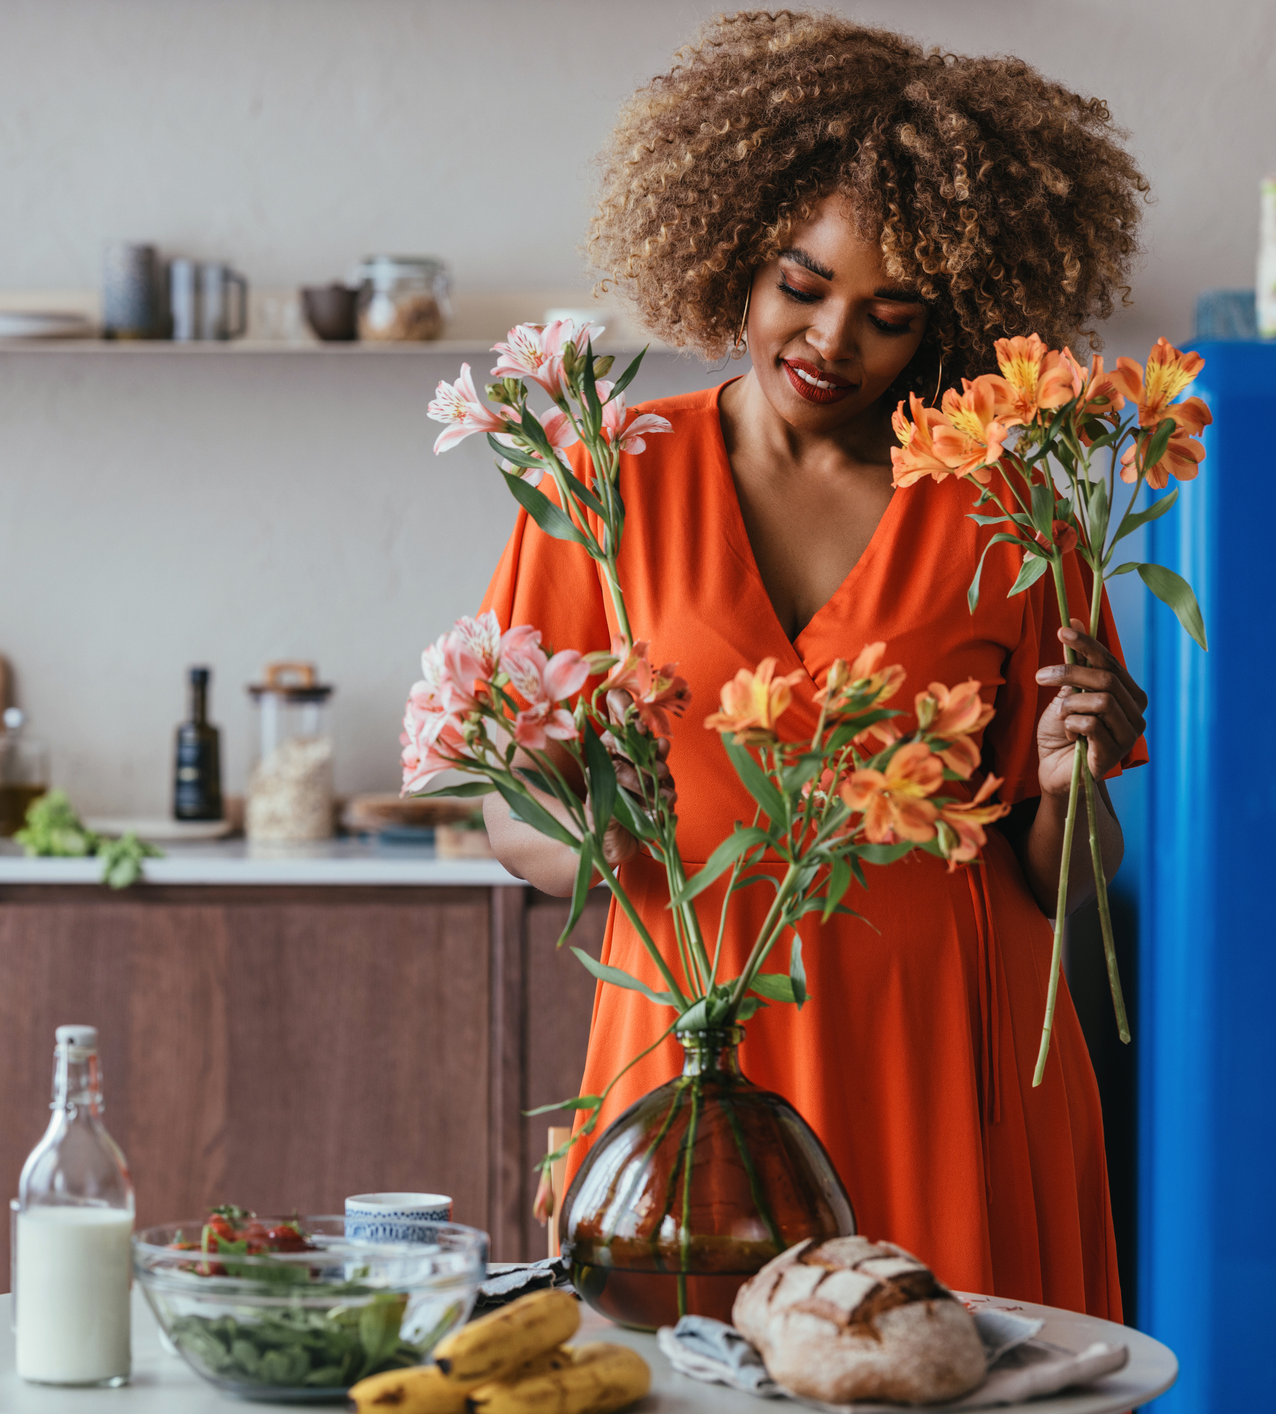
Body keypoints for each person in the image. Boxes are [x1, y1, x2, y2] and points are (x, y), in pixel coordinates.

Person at [485, 12, 1148, 1318]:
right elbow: (507, 809)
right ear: (731, 244)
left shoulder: (1010, 499)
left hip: (945, 1045)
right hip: (696, 1030)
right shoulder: (609, 476)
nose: (831, 339)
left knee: (939, 1371)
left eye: (888, 314)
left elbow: (1057, 864)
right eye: (802, 282)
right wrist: (627, 857)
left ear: (945, 320)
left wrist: (1073, 785)